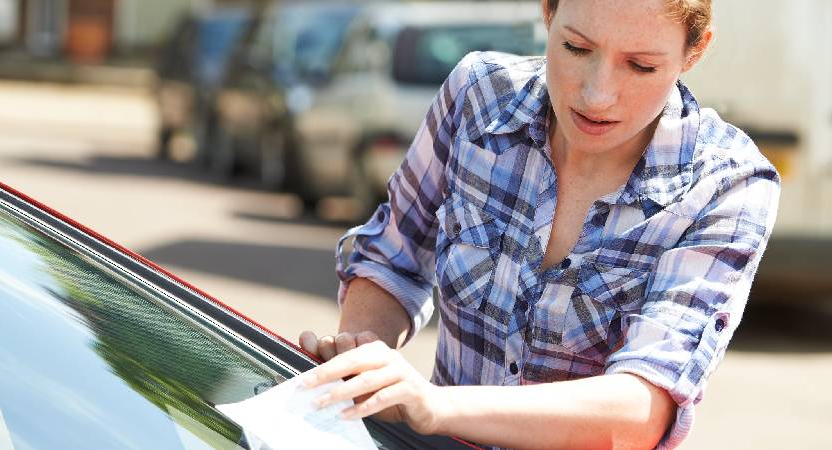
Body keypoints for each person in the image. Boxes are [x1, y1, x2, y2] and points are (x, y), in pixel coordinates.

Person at [298, 0, 780, 448]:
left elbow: (643, 404)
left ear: (694, 51)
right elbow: (393, 256)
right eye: (576, 48)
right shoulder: (478, 97)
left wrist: (437, 407)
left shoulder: (727, 184)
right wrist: (360, 361)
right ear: (548, 13)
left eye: (640, 66)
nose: (597, 94)